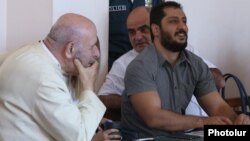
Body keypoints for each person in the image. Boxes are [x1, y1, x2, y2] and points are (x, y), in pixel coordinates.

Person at [121, 1, 250, 139]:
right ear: (156, 30)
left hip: (182, 136)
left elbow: (218, 107)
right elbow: (154, 117)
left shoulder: (195, 64)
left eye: (184, 21)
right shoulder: (140, 66)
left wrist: (237, 122)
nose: (182, 27)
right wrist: (203, 122)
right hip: (146, 138)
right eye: (173, 22)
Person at [99, 6, 224, 119]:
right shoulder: (124, 63)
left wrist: (186, 75)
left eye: (143, 29)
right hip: (163, 133)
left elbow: (219, 81)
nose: (137, 37)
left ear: (156, 29)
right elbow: (102, 99)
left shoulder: (186, 51)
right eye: (132, 32)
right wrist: (136, 98)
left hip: (203, 128)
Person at [0, 13, 106, 141]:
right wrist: (88, 89)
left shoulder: (28, 53)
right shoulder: (44, 78)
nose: (97, 53)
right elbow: (80, 136)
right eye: (92, 47)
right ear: (70, 49)